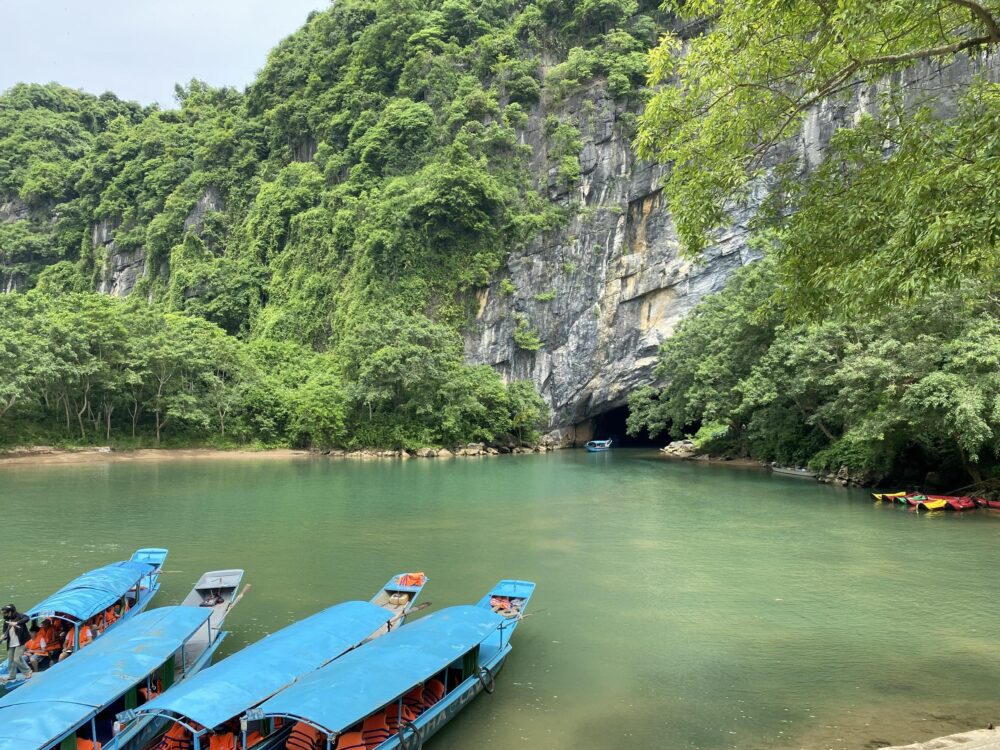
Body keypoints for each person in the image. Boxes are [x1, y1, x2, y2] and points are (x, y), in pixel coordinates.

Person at [1, 604, 32, 682]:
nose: (4, 614)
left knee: (17, 659)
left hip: (20, 641)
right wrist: (4, 636)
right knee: (11, 660)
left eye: (5, 613)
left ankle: (28, 671)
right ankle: (12, 675)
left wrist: (17, 623)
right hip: (11, 643)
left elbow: (27, 618)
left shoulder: (19, 616)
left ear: (10, 612)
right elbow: (5, 631)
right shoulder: (6, 621)